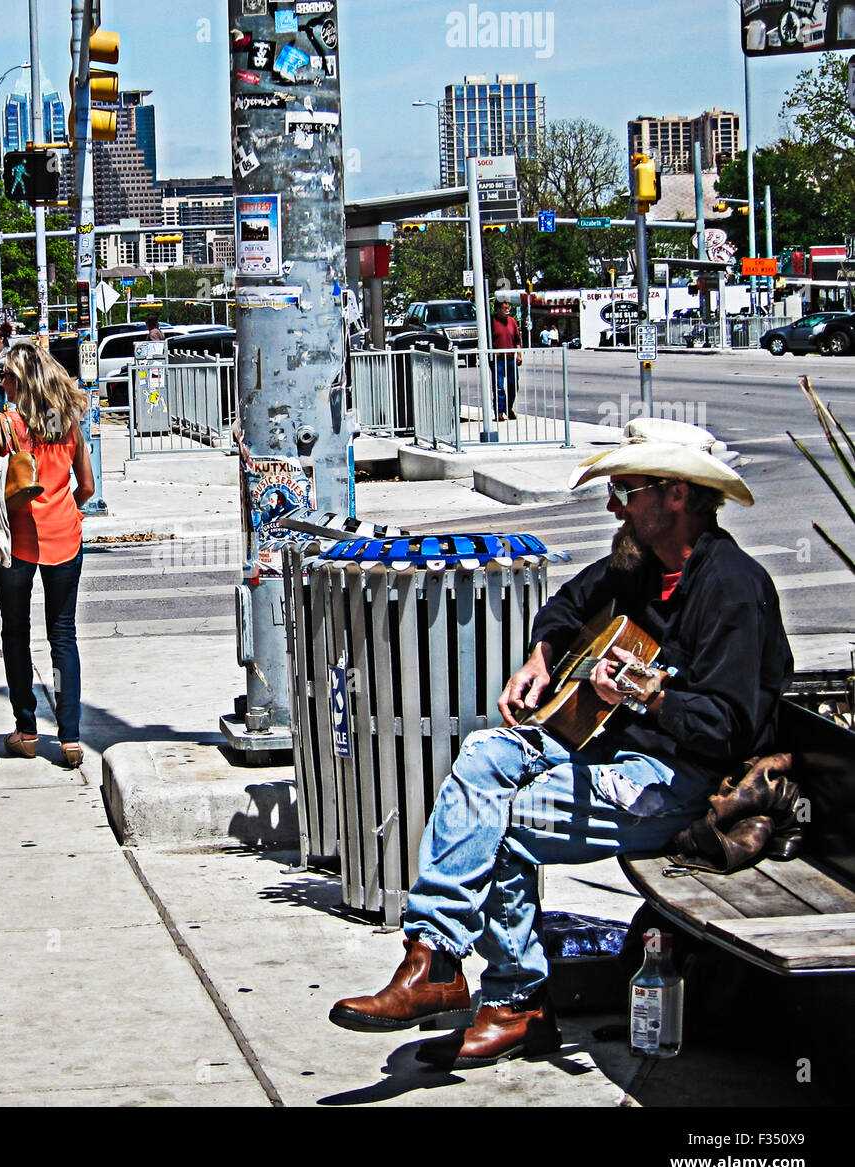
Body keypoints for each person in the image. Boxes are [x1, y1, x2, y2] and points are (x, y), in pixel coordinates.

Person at [329, 418, 792, 1069]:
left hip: (682, 783)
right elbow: (567, 605)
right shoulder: (640, 567)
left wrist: (647, 694)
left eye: (626, 491)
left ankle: (517, 1002)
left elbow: (728, 728)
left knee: (506, 824)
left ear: (677, 497)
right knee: (482, 759)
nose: (613, 505)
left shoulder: (731, 588)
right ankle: (433, 954)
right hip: (615, 756)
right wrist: (542, 657)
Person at [0, 341, 95, 767]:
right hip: (66, 539)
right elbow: (87, 488)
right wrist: (63, 507)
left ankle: (27, 729)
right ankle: (71, 739)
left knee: (15, 632)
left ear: (17, 381)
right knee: (63, 635)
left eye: (4, 376)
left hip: (14, 544)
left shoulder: (1, 426)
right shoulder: (64, 422)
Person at [490, 300, 521, 419]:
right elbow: (487, 338)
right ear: (498, 309)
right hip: (498, 359)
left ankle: (508, 408)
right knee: (499, 386)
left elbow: (517, 340)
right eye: (504, 308)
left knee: (513, 384)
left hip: (510, 358)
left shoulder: (512, 321)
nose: (507, 310)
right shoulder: (492, 321)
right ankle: (499, 411)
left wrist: (519, 355)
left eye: (509, 308)